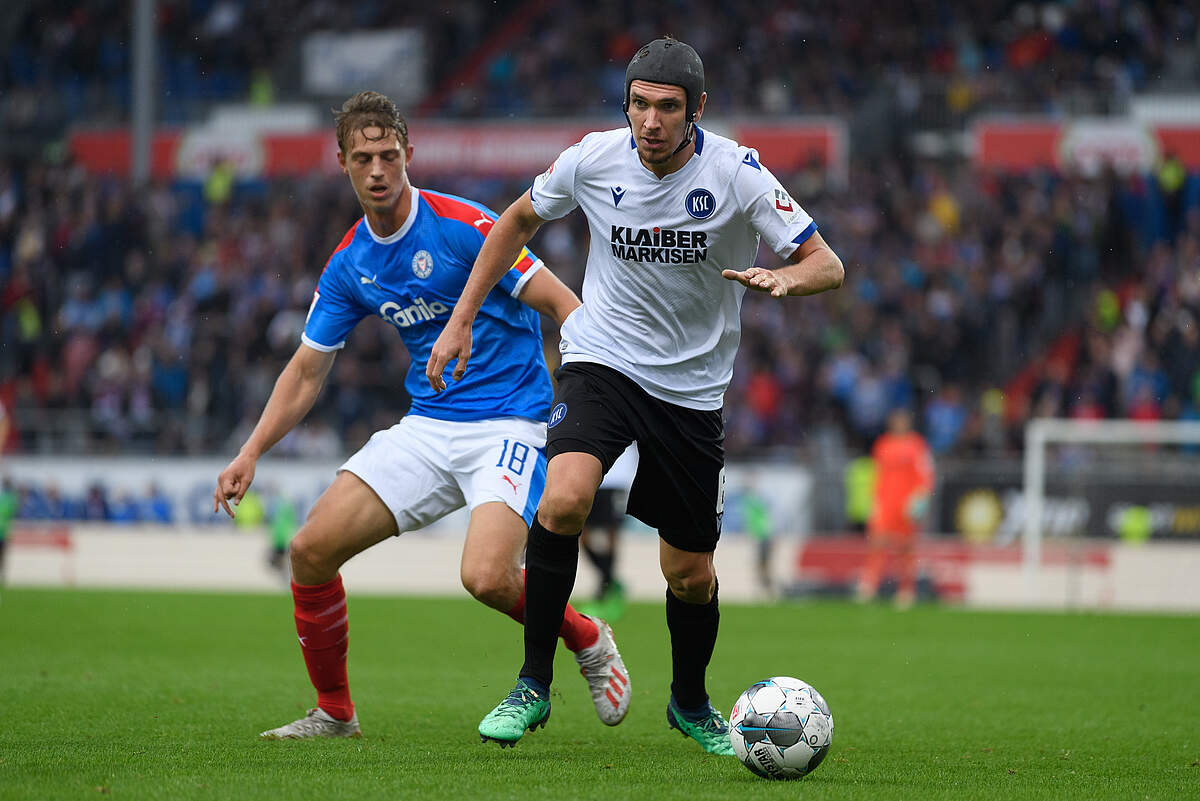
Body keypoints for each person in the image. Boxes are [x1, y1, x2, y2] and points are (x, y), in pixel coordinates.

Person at [426, 38, 843, 754]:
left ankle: (689, 700)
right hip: (602, 359)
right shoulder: (592, 157)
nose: (650, 121)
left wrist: (786, 280)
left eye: (668, 108)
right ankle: (532, 683)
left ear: (697, 111)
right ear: (626, 104)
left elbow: (825, 262)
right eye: (640, 105)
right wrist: (460, 317)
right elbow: (515, 222)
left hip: (690, 388)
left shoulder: (738, 174)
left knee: (688, 571)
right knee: (563, 498)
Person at [213, 91, 629, 741]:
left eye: (387, 155)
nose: (377, 169)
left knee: (486, 576)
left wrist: (591, 392)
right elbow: (306, 368)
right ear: (343, 164)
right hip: (429, 425)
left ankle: (587, 636)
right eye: (362, 158)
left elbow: (560, 300)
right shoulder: (351, 262)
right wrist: (250, 450)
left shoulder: (465, 225)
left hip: (511, 423)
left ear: (409, 154)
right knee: (309, 550)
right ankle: (335, 713)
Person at [856, 406, 934, 609]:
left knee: (906, 549)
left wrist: (920, 499)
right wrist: (874, 501)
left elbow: (926, 474)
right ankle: (869, 586)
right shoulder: (883, 444)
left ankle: (906, 591)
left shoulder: (917, 445)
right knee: (877, 544)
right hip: (886, 503)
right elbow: (877, 475)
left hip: (906, 506)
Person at [578, 444, 638, 621]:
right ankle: (610, 581)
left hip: (617, 478)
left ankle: (605, 588)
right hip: (592, 475)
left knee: (612, 533)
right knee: (582, 535)